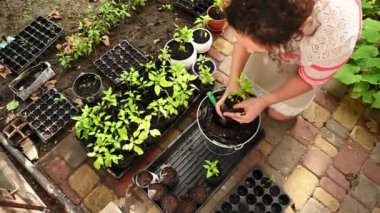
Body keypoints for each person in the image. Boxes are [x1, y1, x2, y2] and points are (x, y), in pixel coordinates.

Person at [215, 0, 362, 123]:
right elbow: (244, 33)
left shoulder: (335, 36)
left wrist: (263, 102)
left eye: (253, 47)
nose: (248, 50)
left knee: (278, 115)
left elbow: (309, 79)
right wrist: (233, 82)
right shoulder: (251, 10)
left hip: (315, 43)